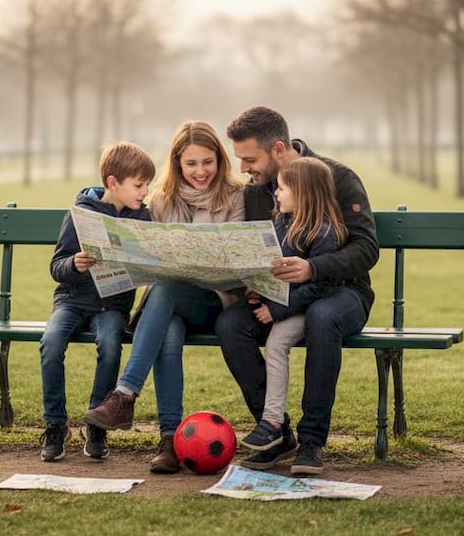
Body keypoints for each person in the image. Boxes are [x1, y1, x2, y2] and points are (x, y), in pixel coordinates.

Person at [216, 106, 379, 475]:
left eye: (249, 159)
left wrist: (313, 268)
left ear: (277, 149)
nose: (243, 169)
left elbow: (367, 249)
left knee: (323, 317)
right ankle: (274, 431)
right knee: (231, 324)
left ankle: (312, 441)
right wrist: (254, 285)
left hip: (343, 293)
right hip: (281, 296)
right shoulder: (259, 191)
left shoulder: (337, 177)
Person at [83, 120, 245, 473]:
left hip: (215, 302)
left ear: (219, 160)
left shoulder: (235, 197)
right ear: (177, 163)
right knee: (168, 325)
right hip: (168, 304)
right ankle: (170, 441)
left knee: (167, 291)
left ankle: (124, 394)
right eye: (191, 164)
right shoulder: (159, 200)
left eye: (208, 162)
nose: (200, 171)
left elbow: (241, 265)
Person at [40, 141, 156, 462]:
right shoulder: (80, 214)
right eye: (139, 184)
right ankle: (55, 424)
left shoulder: (141, 218)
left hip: (112, 306)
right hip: (72, 300)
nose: (145, 191)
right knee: (50, 343)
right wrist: (74, 264)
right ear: (112, 183)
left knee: (110, 344)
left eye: (147, 184)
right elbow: (56, 266)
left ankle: (96, 422)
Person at [237, 157, 349, 456]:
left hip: (310, 307)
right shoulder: (283, 222)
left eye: (283, 188)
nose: (276, 193)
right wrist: (257, 290)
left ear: (304, 193)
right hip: (289, 304)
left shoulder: (324, 232)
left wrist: (277, 310)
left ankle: (272, 421)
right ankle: (273, 423)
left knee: (276, 343)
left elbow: (320, 287)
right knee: (267, 340)